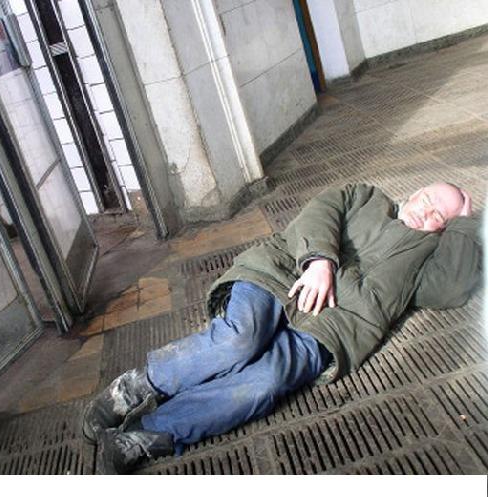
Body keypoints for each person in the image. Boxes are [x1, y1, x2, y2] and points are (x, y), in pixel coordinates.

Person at [82, 182, 481, 474]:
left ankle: (144, 436)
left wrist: (466, 221)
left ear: (444, 229)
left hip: (331, 329)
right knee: (240, 338)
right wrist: (319, 261)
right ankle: (133, 389)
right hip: (282, 273)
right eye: (428, 201)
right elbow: (321, 209)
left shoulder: (426, 259)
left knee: (265, 381)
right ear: (415, 193)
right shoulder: (367, 197)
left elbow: (453, 288)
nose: (426, 213)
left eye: (440, 216)